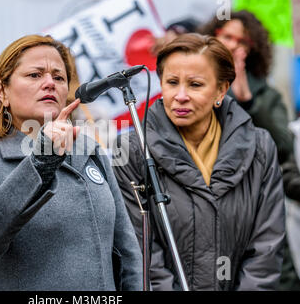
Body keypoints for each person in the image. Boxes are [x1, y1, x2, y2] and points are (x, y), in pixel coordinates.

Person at [0, 34, 143, 291]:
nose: (49, 83)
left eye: (59, 77)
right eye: (35, 75)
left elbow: (127, 250)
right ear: (2, 91)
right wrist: (41, 161)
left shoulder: (89, 149)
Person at [113, 33, 285, 290]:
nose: (180, 95)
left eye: (195, 85)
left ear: (221, 89)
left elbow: (266, 249)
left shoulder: (260, 146)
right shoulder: (132, 150)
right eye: (172, 82)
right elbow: (142, 253)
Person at [198, 10, 300, 290]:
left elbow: (284, 145)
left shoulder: (267, 96)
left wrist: (247, 101)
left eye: (242, 41)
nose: (233, 45)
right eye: (227, 36)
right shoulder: (193, 91)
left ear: (252, 50)